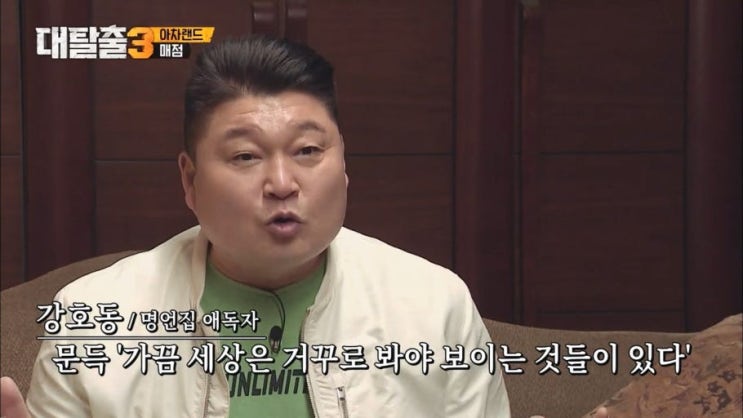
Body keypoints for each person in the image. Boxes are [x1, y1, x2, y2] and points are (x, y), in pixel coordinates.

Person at [0, 35, 609, 418]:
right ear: (189, 180)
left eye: (309, 151)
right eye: (245, 156)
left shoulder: (433, 304)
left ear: (344, 166)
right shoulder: (93, 319)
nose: (282, 183)